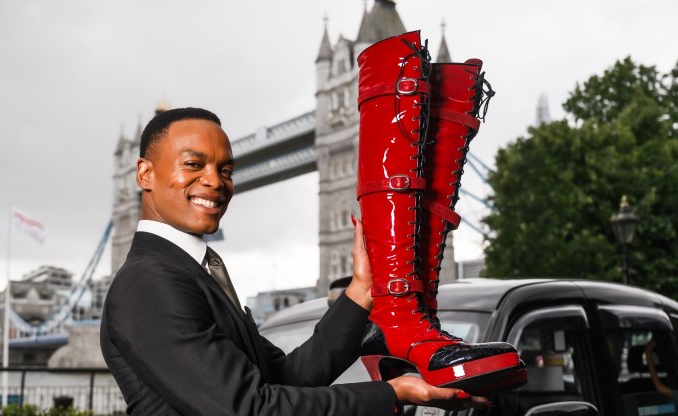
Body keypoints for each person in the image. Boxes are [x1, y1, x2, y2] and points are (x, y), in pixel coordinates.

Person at [100, 107, 490, 415]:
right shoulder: (148, 282)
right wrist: (393, 392)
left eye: (226, 169)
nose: (216, 181)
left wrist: (361, 292)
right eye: (193, 164)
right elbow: (247, 408)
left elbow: (285, 378)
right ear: (145, 173)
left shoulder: (193, 272)